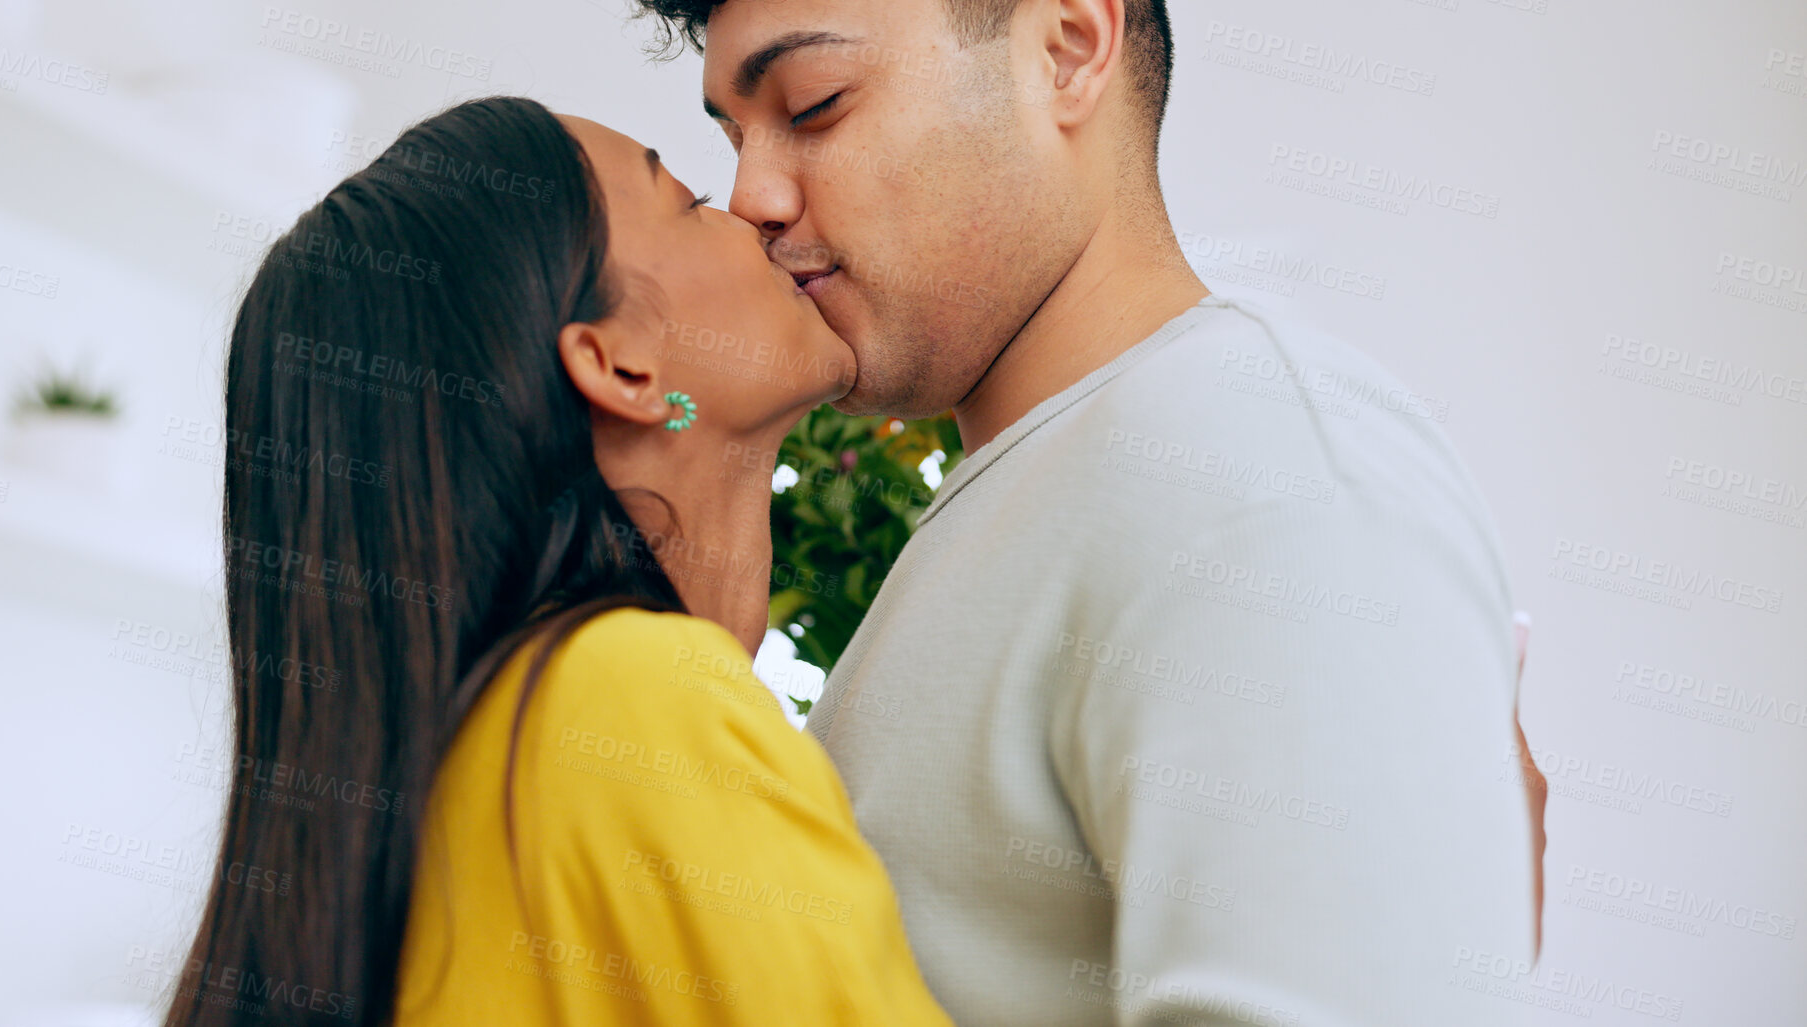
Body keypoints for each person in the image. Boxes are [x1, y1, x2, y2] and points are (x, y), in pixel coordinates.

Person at [637, 0, 1545, 1023]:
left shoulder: (1254, 464)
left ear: (1066, 52)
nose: (749, 194)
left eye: (814, 106)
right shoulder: (1048, 489)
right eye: (733, 135)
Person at [163, 96, 950, 1026]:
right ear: (623, 368)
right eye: (692, 200)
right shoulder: (630, 700)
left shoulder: (474, 758)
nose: (753, 213)